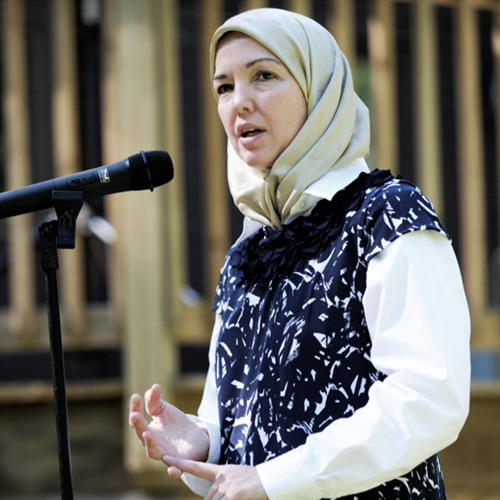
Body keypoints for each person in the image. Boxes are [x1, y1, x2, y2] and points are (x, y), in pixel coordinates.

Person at [129, 8, 470, 500]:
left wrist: (274, 480)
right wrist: (203, 442)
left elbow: (430, 396)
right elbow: (244, 434)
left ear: (319, 90)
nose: (239, 103)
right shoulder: (248, 254)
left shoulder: (386, 214)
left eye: (263, 76)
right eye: (223, 87)